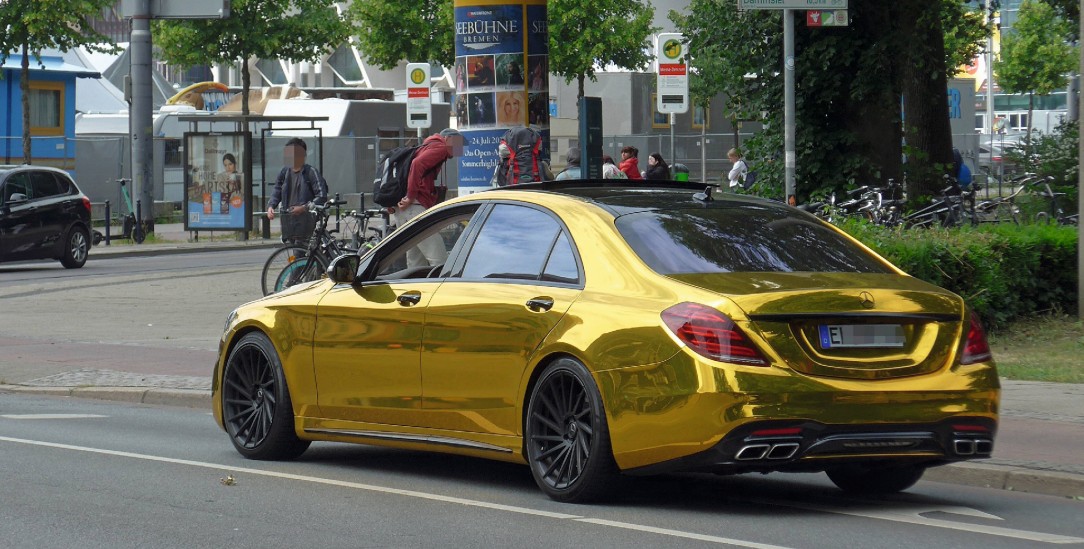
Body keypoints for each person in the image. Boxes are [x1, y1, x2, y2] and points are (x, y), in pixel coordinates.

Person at [395, 128, 464, 267]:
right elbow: (417, 164)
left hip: (404, 211)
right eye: (457, 144)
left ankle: (415, 287)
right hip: (414, 208)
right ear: (448, 139)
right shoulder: (441, 148)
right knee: (439, 260)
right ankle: (446, 288)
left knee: (416, 262)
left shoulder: (426, 146)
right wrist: (410, 196)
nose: (458, 149)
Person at [266, 138, 328, 243]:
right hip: (289, 222)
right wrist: (271, 206)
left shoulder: (311, 172)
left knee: (301, 254)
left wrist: (304, 208)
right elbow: (277, 189)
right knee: (294, 254)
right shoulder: (285, 171)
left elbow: (322, 196)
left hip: (306, 222)